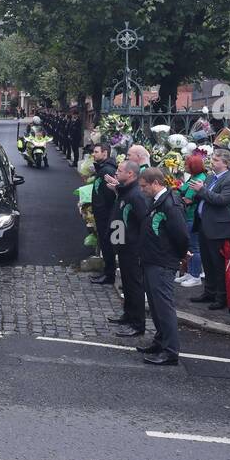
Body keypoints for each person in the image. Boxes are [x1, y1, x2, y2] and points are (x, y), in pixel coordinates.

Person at [136, 168, 189, 365]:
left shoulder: (170, 204)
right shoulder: (159, 201)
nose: (142, 191)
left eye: (144, 186)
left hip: (162, 261)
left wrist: (181, 256)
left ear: (156, 183)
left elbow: (181, 235)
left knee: (163, 307)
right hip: (153, 259)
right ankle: (160, 341)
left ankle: (170, 350)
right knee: (156, 306)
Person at [191, 148, 230, 310]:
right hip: (205, 225)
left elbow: (221, 200)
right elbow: (204, 196)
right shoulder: (211, 176)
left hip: (219, 228)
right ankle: (209, 292)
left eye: (216, 160)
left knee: (218, 264)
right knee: (208, 262)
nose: (212, 162)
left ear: (226, 163)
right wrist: (197, 192)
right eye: (212, 159)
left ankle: (221, 297)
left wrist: (202, 190)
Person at [105, 161, 147, 337]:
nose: (116, 173)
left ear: (130, 174)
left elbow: (143, 220)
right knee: (127, 284)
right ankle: (128, 314)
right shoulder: (126, 190)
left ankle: (137, 323)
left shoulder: (136, 195)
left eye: (120, 171)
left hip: (132, 247)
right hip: (123, 244)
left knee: (134, 284)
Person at [174, 154, 207, 288]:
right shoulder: (194, 177)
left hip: (192, 217)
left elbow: (188, 199)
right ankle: (189, 272)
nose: (184, 166)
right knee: (189, 246)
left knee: (194, 247)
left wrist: (177, 197)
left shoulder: (199, 179)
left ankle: (195, 275)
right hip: (188, 215)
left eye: (187, 164)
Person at [88, 143, 118, 285]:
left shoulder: (107, 170)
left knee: (108, 245)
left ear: (105, 153)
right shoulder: (102, 168)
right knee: (105, 245)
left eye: (96, 152)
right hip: (102, 214)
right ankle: (107, 272)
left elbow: (110, 195)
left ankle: (109, 274)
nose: (94, 154)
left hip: (107, 215)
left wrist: (103, 210)